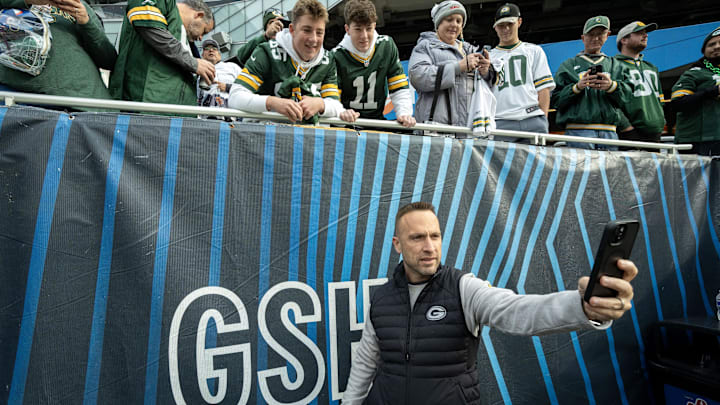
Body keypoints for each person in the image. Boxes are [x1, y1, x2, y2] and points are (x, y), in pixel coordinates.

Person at [341, 201, 638, 404]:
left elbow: (518, 311)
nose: (430, 247)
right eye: (418, 238)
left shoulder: (463, 288)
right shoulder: (381, 297)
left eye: (436, 236)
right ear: (397, 244)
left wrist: (583, 307)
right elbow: (366, 363)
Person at [228, 0, 352, 124]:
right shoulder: (267, 52)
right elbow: (235, 97)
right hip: (265, 135)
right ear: (292, 29)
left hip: (307, 137)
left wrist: (320, 104)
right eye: (307, 30)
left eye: (319, 32)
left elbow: (336, 106)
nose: (313, 39)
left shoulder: (327, 60)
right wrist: (273, 103)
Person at [0, 0, 117, 105]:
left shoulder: (80, 5)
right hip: (24, 98)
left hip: (85, 101)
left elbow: (108, 60)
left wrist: (86, 22)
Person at [109, 0, 215, 106]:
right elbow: (149, 26)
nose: (201, 38)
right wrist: (193, 63)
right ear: (199, 15)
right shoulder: (166, 4)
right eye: (204, 31)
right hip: (148, 108)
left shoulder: (182, 35)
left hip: (168, 111)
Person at [408, 1, 495, 128]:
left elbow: (490, 91)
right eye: (449, 20)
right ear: (438, 23)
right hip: (435, 131)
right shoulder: (425, 47)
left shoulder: (471, 51)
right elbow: (418, 76)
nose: (454, 25)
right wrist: (458, 67)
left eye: (459, 21)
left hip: (468, 130)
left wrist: (486, 72)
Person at [333, 0, 415, 128]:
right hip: (347, 125)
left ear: (375, 26)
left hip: (377, 122)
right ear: (347, 29)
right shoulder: (336, 56)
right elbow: (332, 98)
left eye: (369, 28)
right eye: (358, 29)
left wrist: (404, 113)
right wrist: (340, 112)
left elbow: (398, 88)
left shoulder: (386, 45)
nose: (364, 36)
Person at [551, 16, 630, 150]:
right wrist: (577, 88)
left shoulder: (616, 65)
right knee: (582, 170)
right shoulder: (568, 65)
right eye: (591, 34)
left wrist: (612, 87)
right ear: (583, 38)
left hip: (609, 131)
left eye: (600, 34)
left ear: (607, 35)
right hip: (578, 131)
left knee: (609, 171)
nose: (595, 38)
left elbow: (628, 99)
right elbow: (555, 100)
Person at [489, 3, 555, 139]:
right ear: (495, 27)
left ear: (519, 22)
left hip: (532, 118)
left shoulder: (534, 51)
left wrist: (543, 119)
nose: (506, 29)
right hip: (500, 121)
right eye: (501, 25)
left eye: (510, 24)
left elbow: (543, 89)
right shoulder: (488, 57)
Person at [614, 21, 665, 148]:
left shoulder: (651, 67)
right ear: (624, 40)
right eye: (639, 33)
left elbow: (660, 100)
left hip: (655, 134)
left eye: (645, 33)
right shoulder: (614, 65)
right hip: (629, 135)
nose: (645, 35)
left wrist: (661, 122)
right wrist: (626, 128)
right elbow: (610, 102)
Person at [670, 26, 720, 156]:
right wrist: (712, 91)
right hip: (698, 142)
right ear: (704, 51)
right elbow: (677, 104)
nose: (716, 46)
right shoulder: (693, 74)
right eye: (711, 44)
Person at [197, 39, 241, 109]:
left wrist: (228, 87)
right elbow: (198, 99)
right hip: (208, 115)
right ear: (203, 55)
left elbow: (246, 88)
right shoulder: (200, 76)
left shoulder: (233, 67)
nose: (211, 50)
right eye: (207, 49)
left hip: (232, 113)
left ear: (219, 55)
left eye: (214, 48)